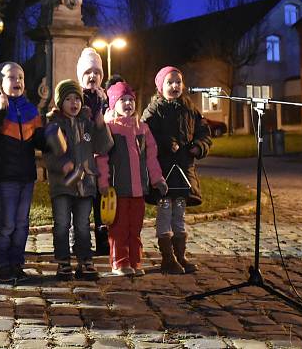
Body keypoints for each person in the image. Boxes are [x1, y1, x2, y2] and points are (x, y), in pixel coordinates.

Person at [0, 62, 46, 282]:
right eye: (11, 77)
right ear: (0, 80)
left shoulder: (30, 108)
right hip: (3, 175)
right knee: (6, 224)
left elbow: (38, 139)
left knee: (21, 224)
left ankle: (17, 262)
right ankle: (0, 264)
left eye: (20, 77)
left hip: (26, 175)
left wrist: (51, 136)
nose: (17, 81)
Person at [142, 66, 212, 275]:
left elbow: (204, 133)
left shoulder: (190, 108)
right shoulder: (154, 110)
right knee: (165, 211)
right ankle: (167, 257)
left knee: (179, 212)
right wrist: (166, 143)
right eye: (170, 82)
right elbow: (146, 135)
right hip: (163, 170)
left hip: (184, 168)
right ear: (160, 86)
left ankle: (180, 254)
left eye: (178, 82)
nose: (174, 86)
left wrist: (199, 146)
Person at [44, 80, 113, 281]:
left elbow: (104, 146)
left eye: (77, 99)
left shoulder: (88, 124)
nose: (73, 103)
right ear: (59, 102)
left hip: (85, 184)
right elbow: (49, 155)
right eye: (68, 99)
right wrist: (61, 165)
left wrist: (100, 125)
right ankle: (63, 262)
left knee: (83, 225)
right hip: (63, 185)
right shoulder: (54, 126)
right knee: (62, 224)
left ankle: (85, 261)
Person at [97, 81, 167, 276]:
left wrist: (157, 179)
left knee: (135, 228)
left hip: (138, 189)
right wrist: (103, 182)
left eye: (130, 100)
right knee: (119, 227)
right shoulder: (109, 128)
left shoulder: (142, 129)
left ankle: (135, 262)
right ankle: (119, 262)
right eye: (123, 100)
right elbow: (101, 157)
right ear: (113, 104)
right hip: (117, 189)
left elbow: (150, 157)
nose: (128, 104)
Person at [77, 47, 110, 256]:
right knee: (82, 202)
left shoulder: (105, 99)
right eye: (88, 72)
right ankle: (80, 240)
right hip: (82, 159)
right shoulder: (76, 98)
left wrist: (101, 119)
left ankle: (103, 240)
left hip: (103, 159)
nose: (92, 76)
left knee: (101, 202)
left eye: (97, 73)